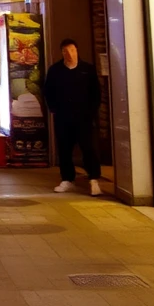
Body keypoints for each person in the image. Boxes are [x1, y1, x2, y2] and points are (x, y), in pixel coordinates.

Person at [44, 38, 103, 196]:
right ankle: (67, 179)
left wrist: (91, 111)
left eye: (72, 50)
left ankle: (94, 178)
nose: (69, 54)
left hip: (84, 117)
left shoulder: (87, 69)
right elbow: (48, 91)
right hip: (63, 117)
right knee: (64, 148)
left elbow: (96, 93)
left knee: (88, 147)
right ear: (62, 53)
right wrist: (54, 108)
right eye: (65, 51)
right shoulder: (55, 70)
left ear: (77, 51)